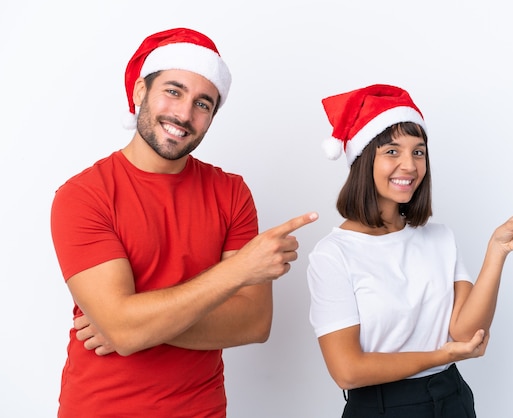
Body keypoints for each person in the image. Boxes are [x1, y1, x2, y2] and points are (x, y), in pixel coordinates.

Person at [50, 27, 317, 418]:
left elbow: (254, 323)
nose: (184, 114)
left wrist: (135, 323)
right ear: (141, 92)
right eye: (173, 91)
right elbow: (124, 329)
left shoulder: (231, 193)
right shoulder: (84, 195)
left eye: (203, 104)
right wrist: (237, 271)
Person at [307, 84, 513, 418]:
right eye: (392, 152)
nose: (410, 166)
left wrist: (497, 251)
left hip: (451, 398)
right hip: (382, 406)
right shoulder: (333, 254)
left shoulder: (440, 238)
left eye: (419, 152)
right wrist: (441, 357)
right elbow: (347, 371)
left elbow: (467, 333)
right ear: (363, 159)